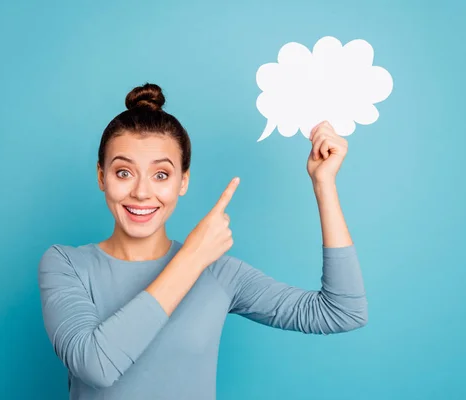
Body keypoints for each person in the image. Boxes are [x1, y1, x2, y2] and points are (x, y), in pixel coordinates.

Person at [38, 83, 368, 400]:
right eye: (124, 172)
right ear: (101, 177)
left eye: (161, 175)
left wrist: (324, 184)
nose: (141, 192)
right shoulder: (66, 265)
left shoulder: (220, 274)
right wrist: (192, 259)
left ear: (183, 182)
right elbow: (96, 366)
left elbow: (342, 311)